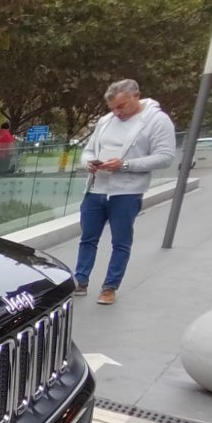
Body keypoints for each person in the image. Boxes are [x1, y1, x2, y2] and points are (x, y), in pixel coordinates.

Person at [74, 79, 175, 305]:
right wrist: (89, 162)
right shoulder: (105, 121)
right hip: (96, 188)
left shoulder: (157, 120)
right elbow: (88, 150)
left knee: (120, 241)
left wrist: (125, 165)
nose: (117, 113)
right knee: (87, 238)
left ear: (136, 96)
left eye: (121, 106)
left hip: (126, 192)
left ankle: (109, 287)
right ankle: (80, 280)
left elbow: (165, 157)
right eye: (113, 108)